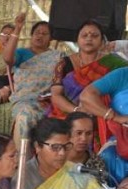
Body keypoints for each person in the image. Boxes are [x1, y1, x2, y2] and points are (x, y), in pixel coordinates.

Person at [48, 20, 128, 149]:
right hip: (67, 110)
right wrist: (78, 110)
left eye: (94, 36)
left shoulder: (114, 62)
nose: (89, 39)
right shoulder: (63, 63)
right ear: (77, 40)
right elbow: (56, 96)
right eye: (84, 35)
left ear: (102, 40)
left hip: (101, 111)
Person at [3, 14, 63, 144]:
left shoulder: (57, 57)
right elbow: (7, 58)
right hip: (25, 100)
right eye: (36, 32)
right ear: (31, 35)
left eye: (44, 34)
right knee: (25, 117)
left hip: (48, 102)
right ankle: (22, 160)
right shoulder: (22, 53)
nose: (39, 36)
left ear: (50, 38)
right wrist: (17, 29)